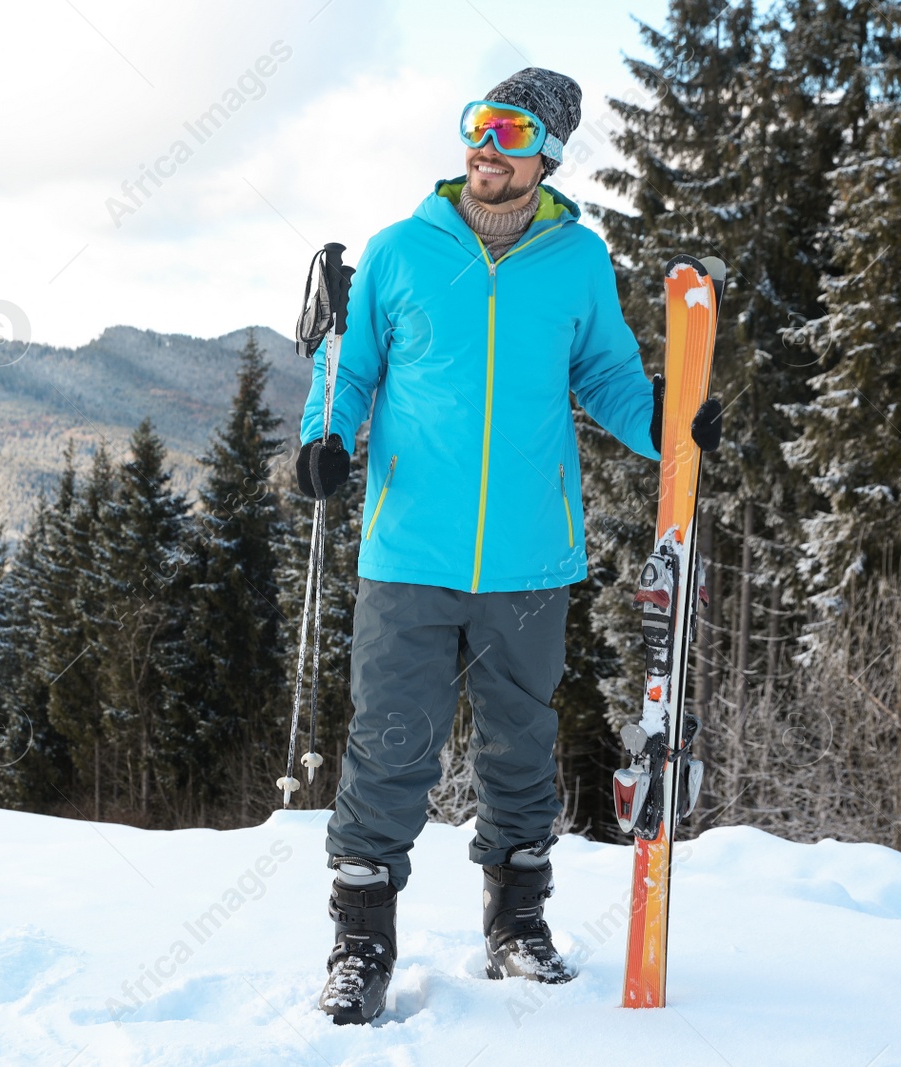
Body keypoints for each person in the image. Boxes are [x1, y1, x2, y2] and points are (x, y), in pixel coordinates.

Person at [296, 67, 722, 1025]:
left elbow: (608, 374)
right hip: (407, 550)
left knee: (522, 743)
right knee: (391, 742)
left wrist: (670, 420)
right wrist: (324, 437)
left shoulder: (576, 261)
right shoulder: (401, 251)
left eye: (510, 129)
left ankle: (517, 924)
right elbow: (347, 364)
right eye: (477, 123)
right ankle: (360, 942)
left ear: (547, 153)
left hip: (530, 555)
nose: (486, 143)